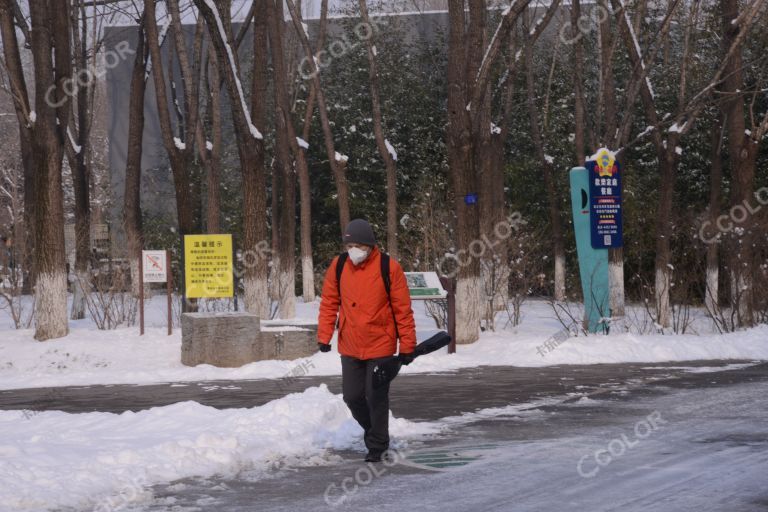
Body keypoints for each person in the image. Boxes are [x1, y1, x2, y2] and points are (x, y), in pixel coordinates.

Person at [317, 219, 416, 462]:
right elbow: (329, 302)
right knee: (352, 396)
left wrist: (407, 345)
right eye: (349, 245)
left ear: (370, 245)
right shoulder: (339, 265)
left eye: (358, 245)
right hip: (350, 344)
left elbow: (402, 309)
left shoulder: (388, 267)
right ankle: (375, 433)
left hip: (380, 343)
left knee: (376, 396)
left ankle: (378, 446)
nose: (353, 250)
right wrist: (324, 334)